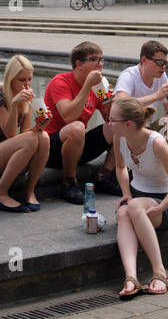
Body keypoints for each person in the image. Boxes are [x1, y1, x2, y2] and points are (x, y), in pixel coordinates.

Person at [109, 96, 168, 298]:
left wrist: (161, 207)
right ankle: (131, 277)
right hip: (137, 199)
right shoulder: (119, 137)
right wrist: (125, 193)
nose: (109, 124)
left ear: (128, 124)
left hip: (163, 203)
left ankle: (160, 272)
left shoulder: (156, 143)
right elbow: (120, 167)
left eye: (112, 119)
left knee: (132, 208)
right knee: (124, 211)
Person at [0, 54, 50, 210]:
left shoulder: (26, 95)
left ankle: (30, 192)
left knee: (44, 137)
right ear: (10, 78)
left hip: (8, 151)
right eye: (22, 80)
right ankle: (0, 194)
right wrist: (14, 104)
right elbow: (11, 134)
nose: (26, 84)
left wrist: (40, 126)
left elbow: (26, 132)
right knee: (31, 139)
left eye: (29, 79)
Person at [43, 42, 117, 203]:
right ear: (79, 64)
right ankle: (69, 182)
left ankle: (105, 176)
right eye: (94, 59)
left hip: (77, 146)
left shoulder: (97, 86)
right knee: (76, 127)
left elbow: (110, 120)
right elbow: (68, 116)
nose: (100, 64)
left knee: (118, 126)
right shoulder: (60, 81)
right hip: (51, 149)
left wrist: (109, 100)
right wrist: (87, 87)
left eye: (101, 59)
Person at [114, 40, 168, 149]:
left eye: (165, 63)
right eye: (159, 62)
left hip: (147, 128)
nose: (163, 67)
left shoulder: (161, 77)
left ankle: (160, 158)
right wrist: (156, 96)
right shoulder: (129, 75)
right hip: (127, 129)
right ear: (144, 60)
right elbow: (120, 104)